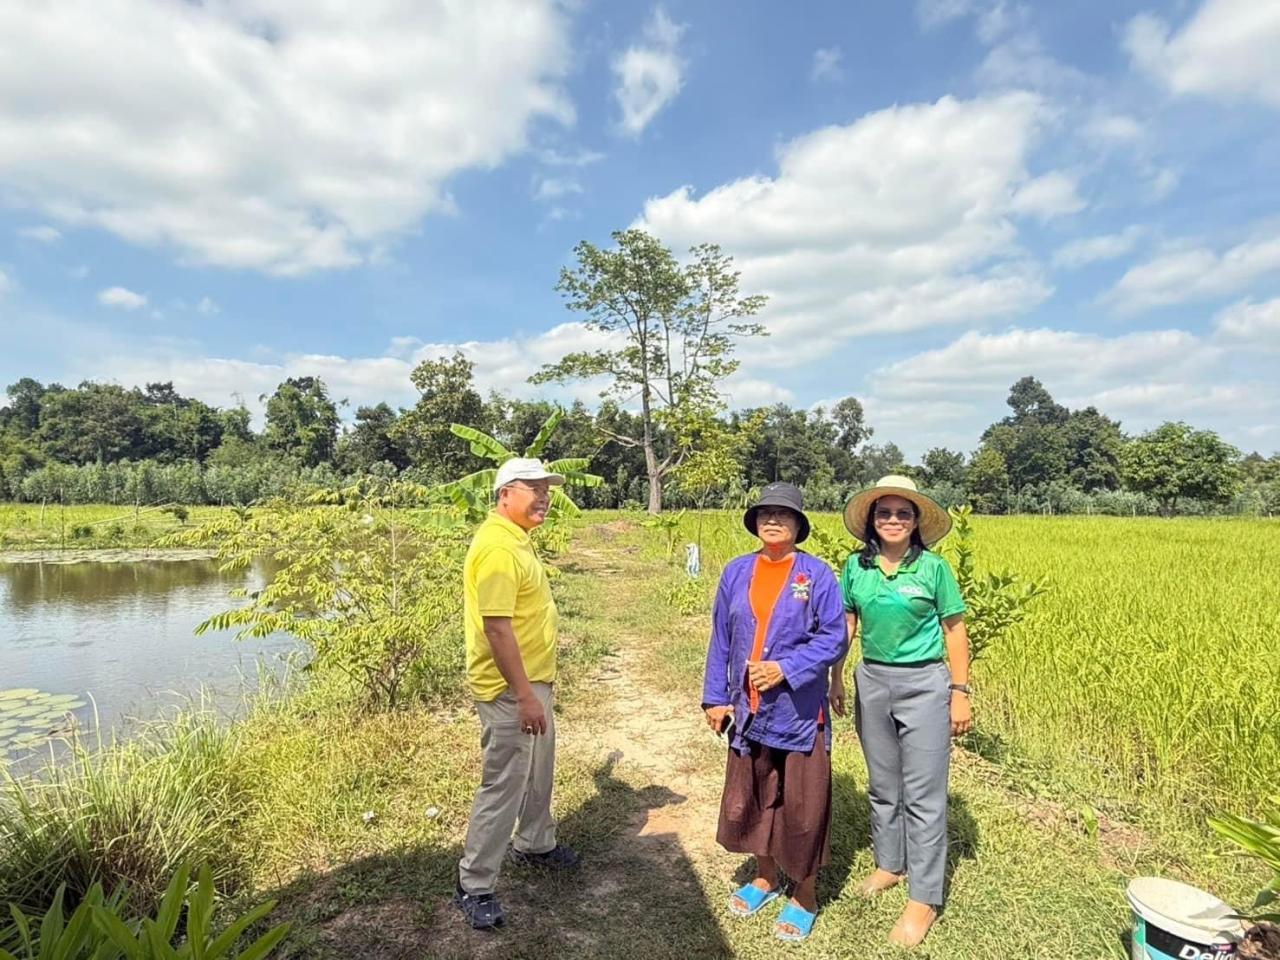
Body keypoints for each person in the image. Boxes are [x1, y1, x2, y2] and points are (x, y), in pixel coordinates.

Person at [829, 475, 972, 948]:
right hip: (871, 681)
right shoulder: (856, 567)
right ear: (871, 521)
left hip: (925, 685)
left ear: (916, 523)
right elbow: (848, 623)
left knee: (925, 794)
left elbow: (954, 630)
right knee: (884, 784)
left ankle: (925, 898)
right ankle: (890, 864)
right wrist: (835, 677)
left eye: (902, 513)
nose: (892, 520)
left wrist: (960, 691)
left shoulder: (933, 569)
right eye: (884, 513)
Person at [702, 482, 848, 942]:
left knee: (803, 806)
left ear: (798, 525)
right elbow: (722, 638)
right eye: (765, 512)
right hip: (749, 709)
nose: (773, 520)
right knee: (753, 792)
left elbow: (834, 638)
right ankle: (765, 875)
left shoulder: (817, 575)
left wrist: (787, 668)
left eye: (783, 515)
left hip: (801, 711)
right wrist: (715, 697)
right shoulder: (736, 571)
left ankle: (804, 892)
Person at [454, 457, 579, 930]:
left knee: (538, 769)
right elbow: (497, 628)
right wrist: (525, 695)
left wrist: (536, 689)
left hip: (531, 683)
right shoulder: (498, 548)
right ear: (505, 493)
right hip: (511, 689)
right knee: (504, 782)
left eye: (547, 489)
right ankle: (474, 883)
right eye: (534, 488)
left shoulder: (515, 539)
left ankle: (535, 841)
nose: (545, 496)